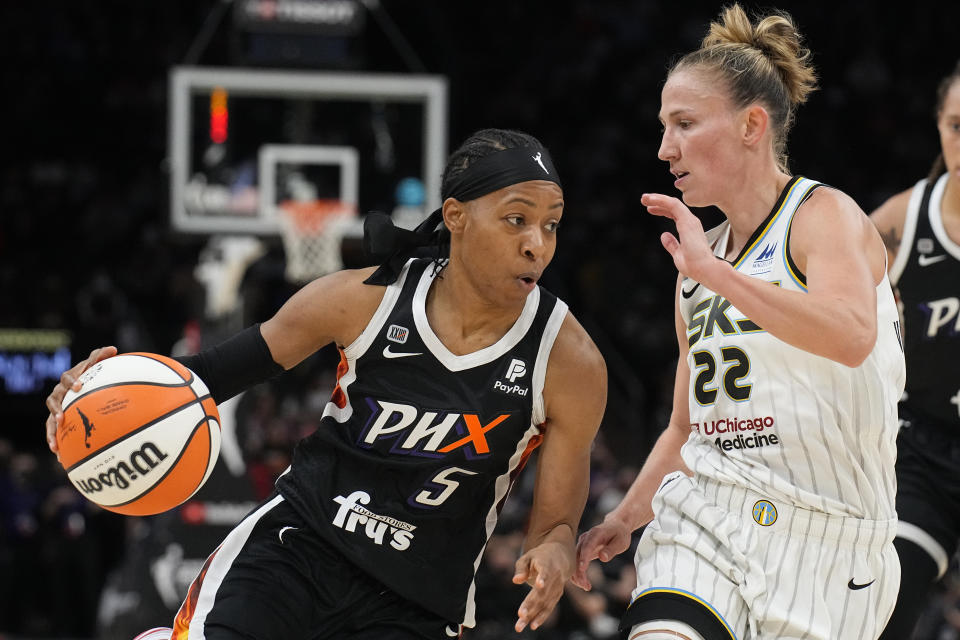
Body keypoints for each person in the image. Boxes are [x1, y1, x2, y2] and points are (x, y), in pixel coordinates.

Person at [44, 128, 608, 639]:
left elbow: (555, 522)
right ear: (456, 216)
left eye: (551, 223)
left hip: (419, 601)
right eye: (517, 219)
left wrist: (555, 548)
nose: (538, 243)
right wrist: (99, 400)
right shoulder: (362, 299)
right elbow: (205, 378)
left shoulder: (570, 361)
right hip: (297, 549)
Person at [572, 5, 905, 639]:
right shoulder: (697, 260)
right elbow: (684, 426)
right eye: (664, 126)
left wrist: (717, 274)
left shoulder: (822, 214)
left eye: (684, 124)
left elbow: (851, 335)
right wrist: (627, 516)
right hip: (706, 518)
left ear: (753, 124)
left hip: (832, 543)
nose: (665, 147)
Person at [871, 60, 960, 640]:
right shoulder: (905, 220)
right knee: (884, 603)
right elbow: (812, 307)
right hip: (923, 446)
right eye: (956, 125)